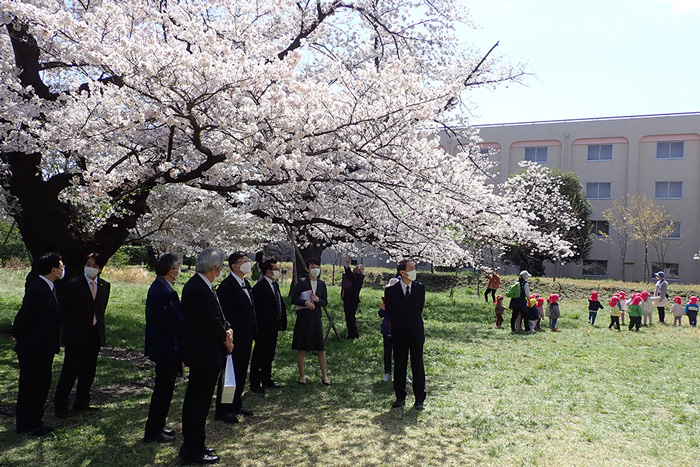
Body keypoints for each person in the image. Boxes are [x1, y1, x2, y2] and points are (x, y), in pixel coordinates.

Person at [179, 248, 233, 465]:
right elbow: (210, 321)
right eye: (220, 267)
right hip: (204, 354)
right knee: (197, 403)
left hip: (206, 352)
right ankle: (193, 449)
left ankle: (196, 444)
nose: (220, 271)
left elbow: (219, 316)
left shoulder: (202, 285)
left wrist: (228, 329)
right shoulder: (198, 288)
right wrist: (226, 338)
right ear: (214, 268)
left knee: (199, 401)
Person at [13, 253, 64, 436]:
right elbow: (25, 315)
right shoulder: (38, 288)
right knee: (31, 386)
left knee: (42, 384)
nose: (63, 268)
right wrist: (17, 334)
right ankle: (26, 424)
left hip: (45, 346)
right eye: (61, 265)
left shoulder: (49, 287)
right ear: (53, 270)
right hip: (34, 347)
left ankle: (36, 420)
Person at [54, 252, 110, 418]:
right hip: (77, 334)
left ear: (100, 269)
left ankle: (82, 402)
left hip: (94, 334)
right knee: (70, 370)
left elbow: (101, 309)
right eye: (88, 264)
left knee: (89, 370)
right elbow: (65, 310)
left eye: (94, 266)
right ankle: (61, 405)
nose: (91, 268)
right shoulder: (73, 284)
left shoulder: (104, 286)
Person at [143, 253, 184, 443]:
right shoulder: (162, 291)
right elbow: (174, 322)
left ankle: (158, 427)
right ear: (171, 271)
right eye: (178, 266)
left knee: (165, 391)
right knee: (162, 391)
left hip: (167, 346)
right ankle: (153, 431)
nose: (179, 269)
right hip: (165, 348)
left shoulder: (163, 287)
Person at [215, 252, 256, 423]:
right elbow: (224, 314)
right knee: (229, 373)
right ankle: (223, 409)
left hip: (247, 336)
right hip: (234, 337)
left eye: (248, 260)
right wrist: (229, 335)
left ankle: (236, 403)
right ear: (234, 265)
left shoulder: (245, 283)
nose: (247, 263)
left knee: (240, 372)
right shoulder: (227, 285)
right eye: (243, 261)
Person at [385, 259, 426, 410]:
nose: (414, 270)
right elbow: (390, 312)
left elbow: (419, 308)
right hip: (399, 333)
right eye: (411, 268)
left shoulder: (420, 288)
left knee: (418, 365)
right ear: (403, 272)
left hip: (416, 332)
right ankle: (400, 397)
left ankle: (419, 398)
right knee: (400, 365)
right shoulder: (391, 290)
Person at [291, 259, 330, 385]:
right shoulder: (302, 283)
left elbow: (325, 302)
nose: (316, 269)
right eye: (313, 267)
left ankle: (325, 376)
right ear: (307, 269)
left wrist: (318, 300)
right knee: (301, 348)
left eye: (317, 266)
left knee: (320, 348)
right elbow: (294, 299)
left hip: (316, 318)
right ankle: (302, 376)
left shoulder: (322, 284)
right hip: (303, 318)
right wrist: (305, 302)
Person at [250, 259, 287, 393]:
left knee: (269, 354)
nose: (278, 271)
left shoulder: (274, 285)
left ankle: (267, 378)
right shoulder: (260, 287)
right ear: (269, 272)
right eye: (276, 269)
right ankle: (254, 382)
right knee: (259, 354)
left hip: (273, 326)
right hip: (262, 328)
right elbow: (255, 309)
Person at [341, 257, 365, 339]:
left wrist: (347, 265)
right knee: (350, 317)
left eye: (357, 267)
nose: (355, 267)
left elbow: (350, 275)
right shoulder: (357, 277)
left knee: (350, 317)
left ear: (359, 270)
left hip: (351, 300)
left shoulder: (358, 278)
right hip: (350, 299)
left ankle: (352, 334)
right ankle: (354, 333)